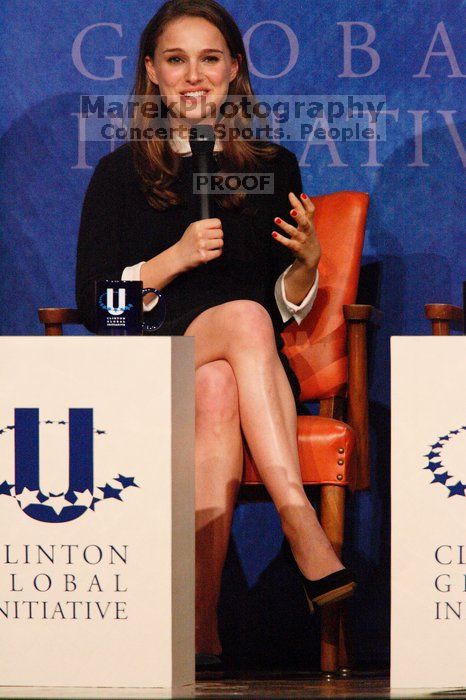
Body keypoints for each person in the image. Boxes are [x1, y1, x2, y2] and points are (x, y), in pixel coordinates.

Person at [76, 0, 356, 675]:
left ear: (234, 70)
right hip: (147, 363)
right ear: (152, 73)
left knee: (224, 374)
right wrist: (171, 260)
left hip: (234, 364)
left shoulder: (272, 166)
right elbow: (94, 304)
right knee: (241, 323)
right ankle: (299, 519)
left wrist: (308, 265)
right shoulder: (120, 173)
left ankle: (200, 630)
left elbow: (281, 306)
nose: (193, 77)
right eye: (176, 60)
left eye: (209, 59)